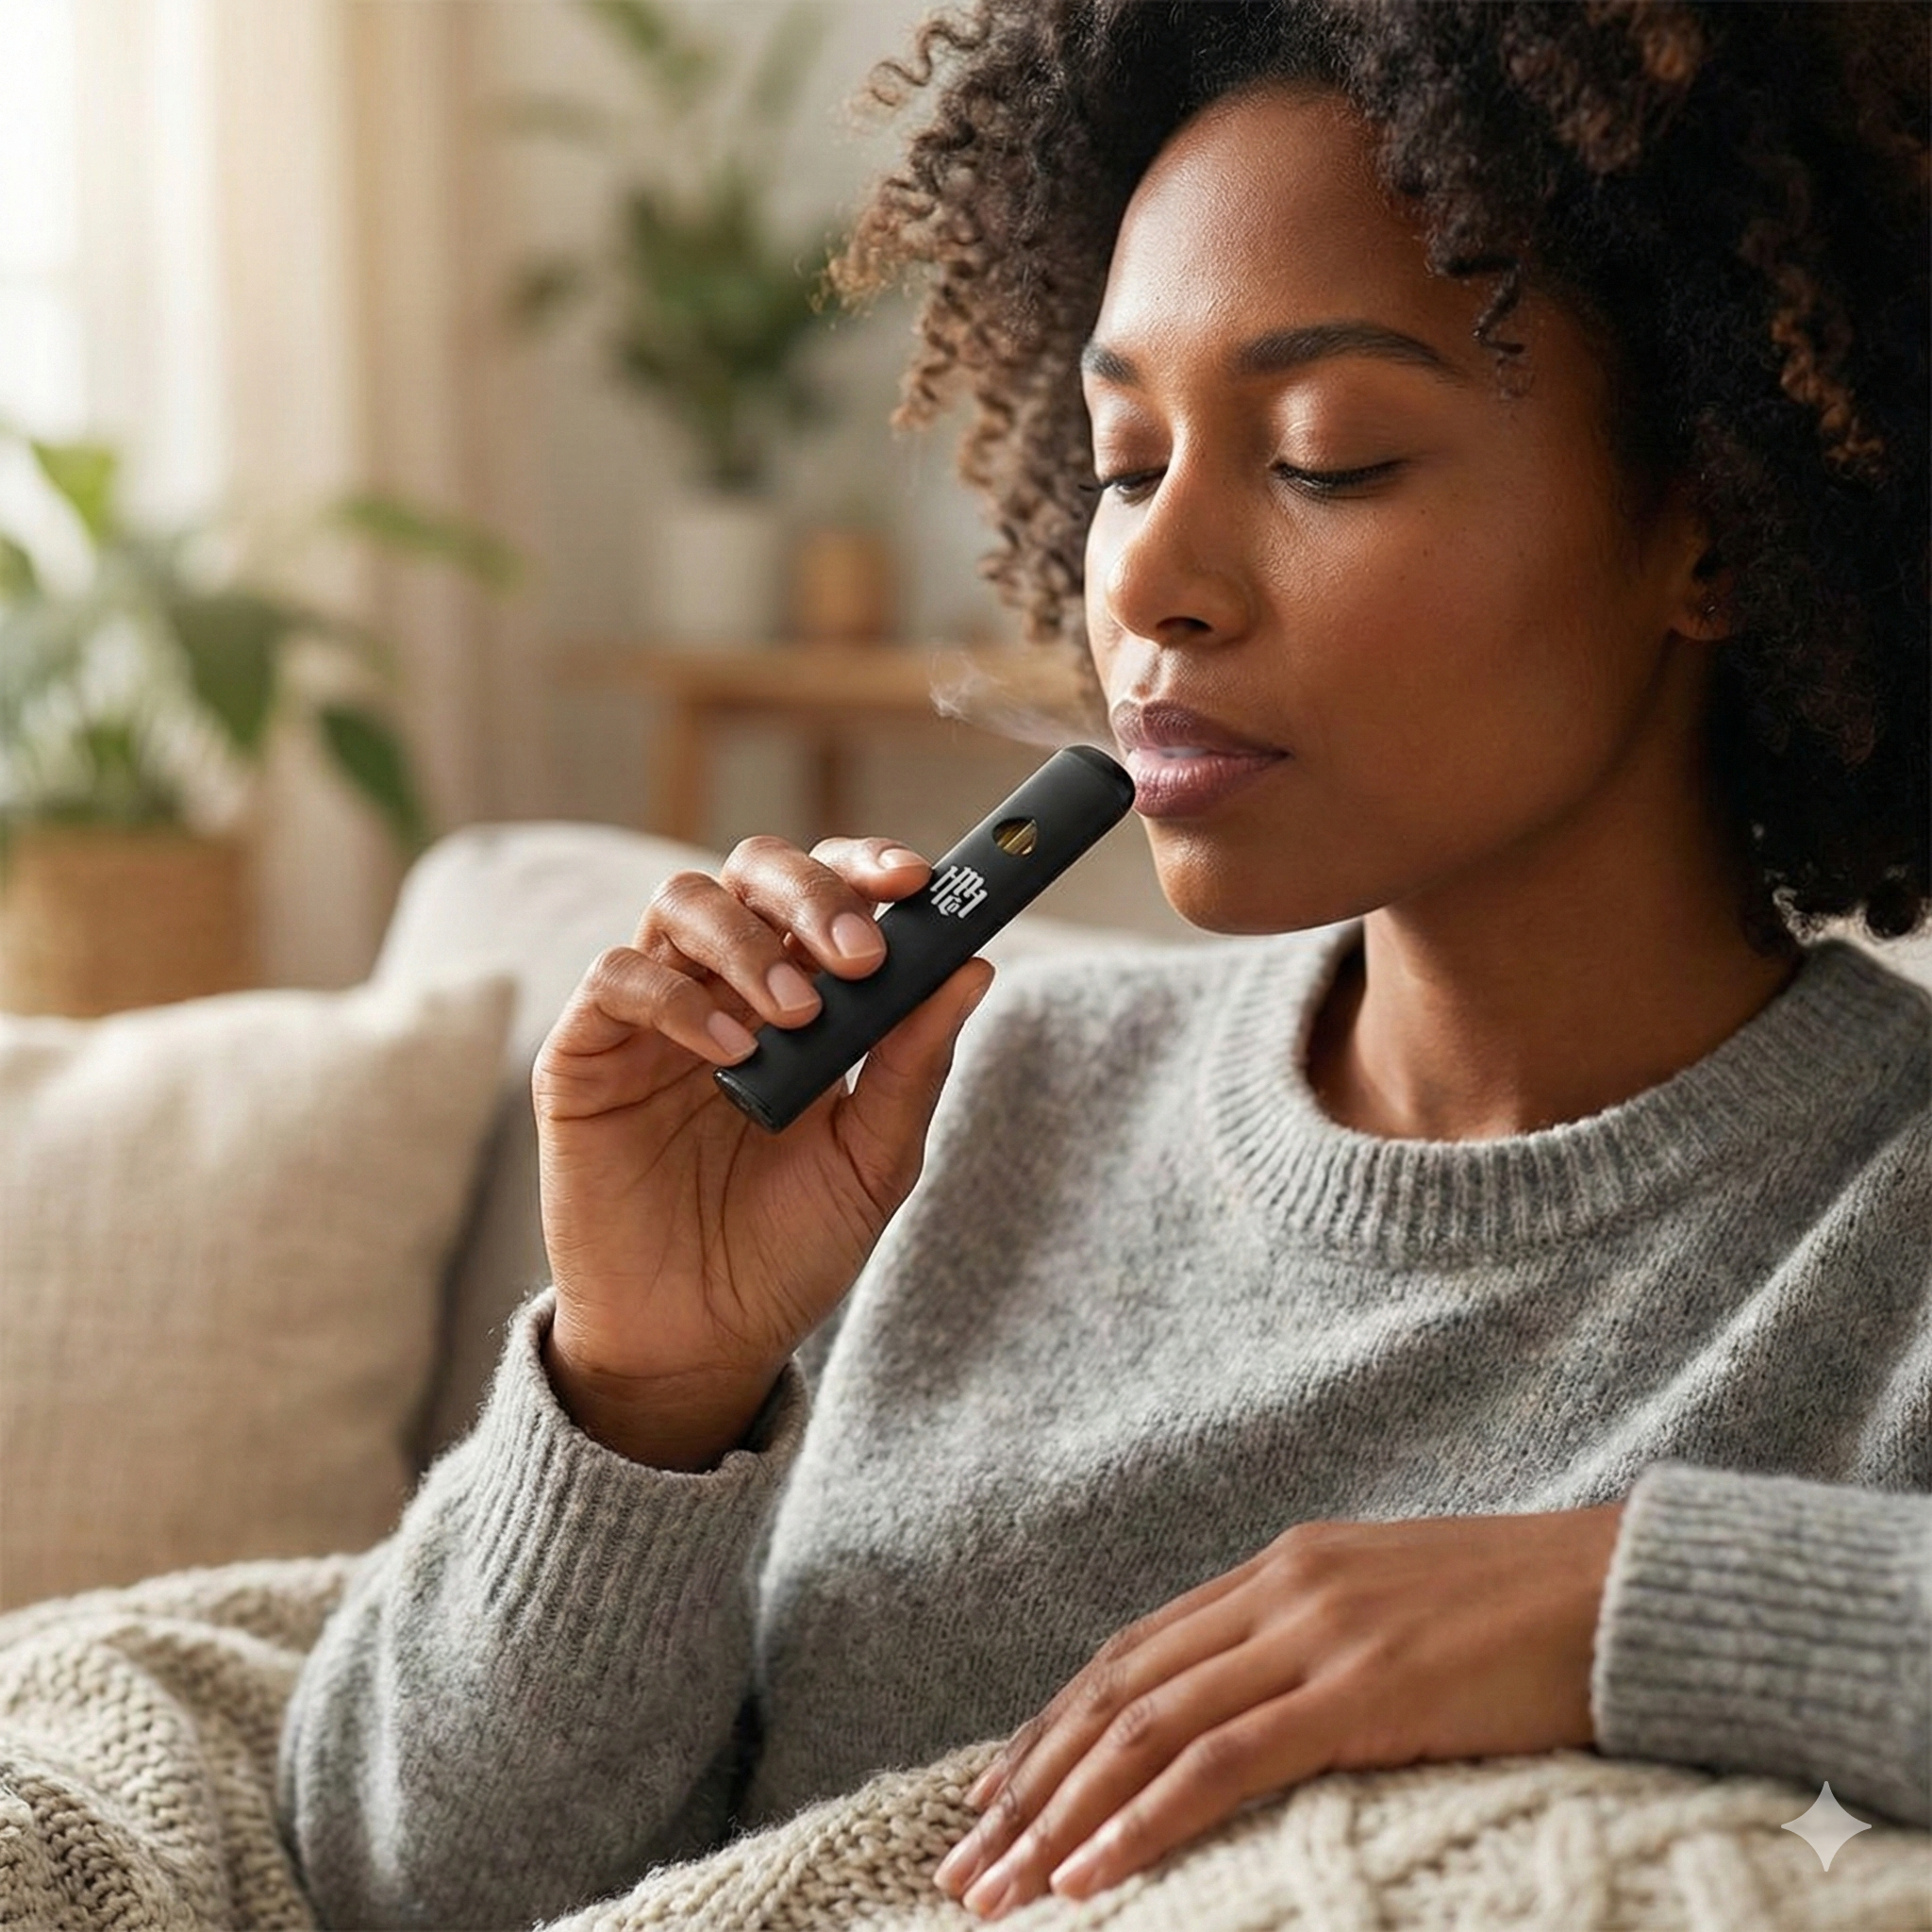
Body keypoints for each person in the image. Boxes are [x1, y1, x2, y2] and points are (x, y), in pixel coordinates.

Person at [277, 4, 1930, 1926]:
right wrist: (643, 1383)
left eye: (1325, 457)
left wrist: (1614, 1598)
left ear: (1711, 528)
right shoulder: (947, 1116)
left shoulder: (1885, 1244)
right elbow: (399, 1886)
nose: (1144, 580)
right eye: (1127, 462)